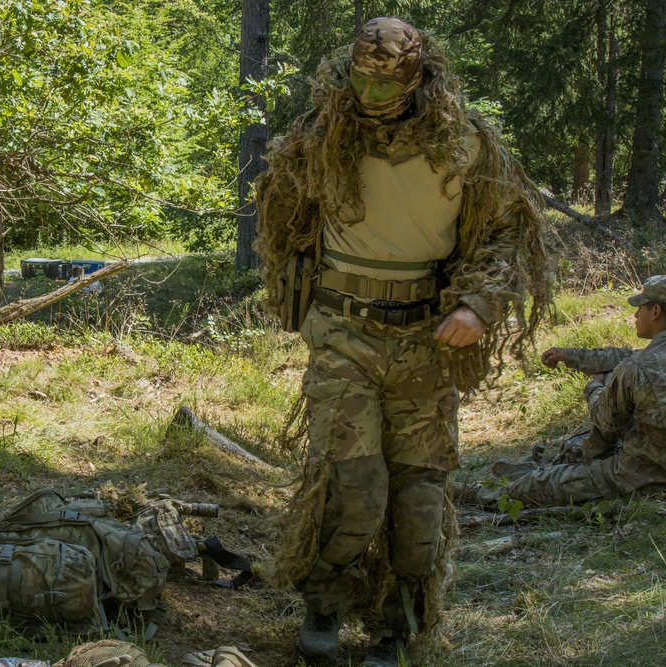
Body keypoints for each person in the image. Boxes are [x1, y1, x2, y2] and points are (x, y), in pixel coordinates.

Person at [255, 17, 552, 666]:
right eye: (361, 79)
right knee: (352, 484)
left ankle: (397, 628)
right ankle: (324, 607)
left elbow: (507, 232)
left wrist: (478, 303)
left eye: (386, 81)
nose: (372, 92)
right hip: (345, 334)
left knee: (418, 500)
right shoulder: (323, 138)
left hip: (425, 340)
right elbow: (283, 212)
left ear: (419, 78)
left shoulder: (462, 144)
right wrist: (295, 289)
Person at [475, 276, 666, 507]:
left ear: (655, 311)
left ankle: (472, 494)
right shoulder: (644, 361)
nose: (635, 316)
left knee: (539, 484)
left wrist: (595, 387)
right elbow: (622, 355)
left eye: (639, 309)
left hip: (645, 477)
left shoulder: (637, 368)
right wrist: (568, 355)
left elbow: (605, 420)